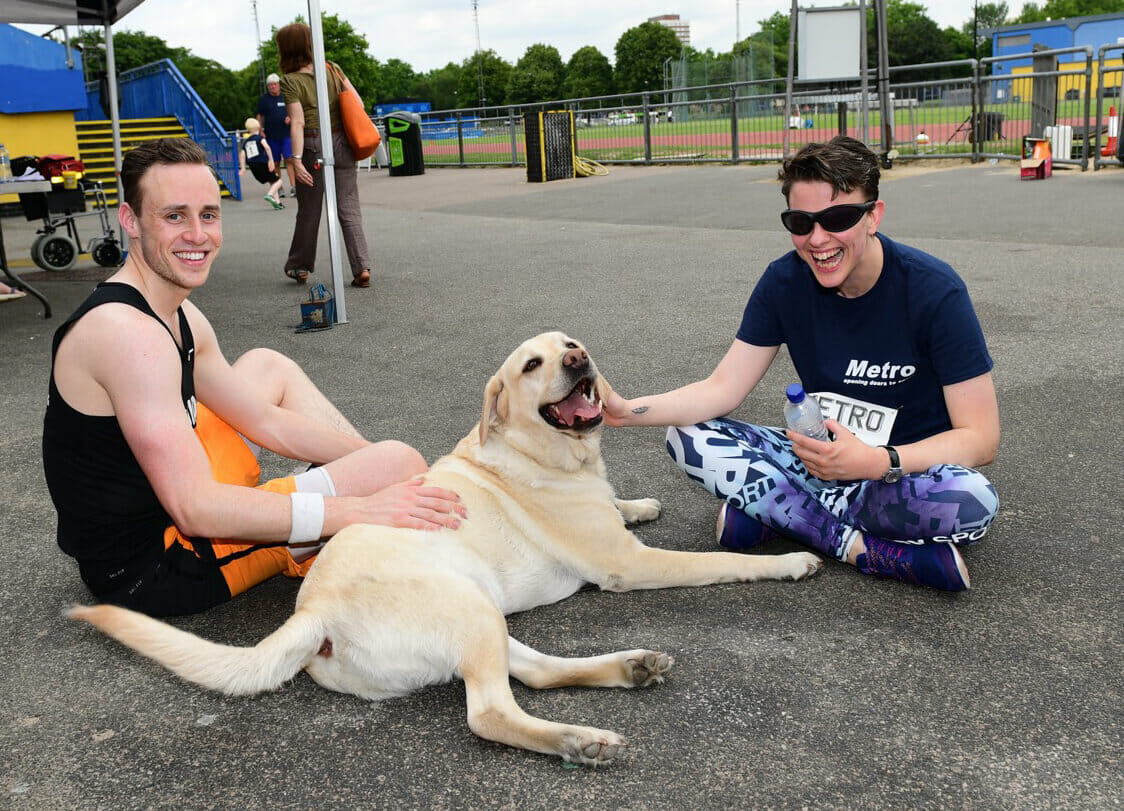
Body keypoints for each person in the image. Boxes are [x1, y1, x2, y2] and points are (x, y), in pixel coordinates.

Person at [42, 138, 465, 617]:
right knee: (398, 463)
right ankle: (367, 521)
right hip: (157, 563)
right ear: (130, 221)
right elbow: (196, 509)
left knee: (268, 366)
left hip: (161, 497)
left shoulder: (174, 311)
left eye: (208, 214)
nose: (198, 235)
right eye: (174, 216)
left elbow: (267, 422)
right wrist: (359, 504)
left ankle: (382, 501)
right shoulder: (127, 335)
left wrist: (371, 473)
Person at [603, 136, 999, 592]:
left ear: (874, 216)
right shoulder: (785, 282)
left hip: (900, 472)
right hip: (817, 460)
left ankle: (780, 514)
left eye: (837, 219)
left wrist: (876, 461)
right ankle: (859, 549)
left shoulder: (935, 291)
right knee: (687, 435)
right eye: (800, 222)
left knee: (973, 499)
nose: (817, 239)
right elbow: (722, 388)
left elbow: (980, 438)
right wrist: (625, 410)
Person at [277, 23, 372, 288]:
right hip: (342, 140)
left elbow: (297, 122)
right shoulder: (332, 68)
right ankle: (361, 267)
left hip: (312, 144)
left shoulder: (290, 80)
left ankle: (300, 266)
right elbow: (359, 103)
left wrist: (295, 159)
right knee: (349, 206)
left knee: (309, 208)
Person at [256, 73, 296, 197]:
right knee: (276, 162)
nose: (273, 87)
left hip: (286, 135)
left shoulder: (285, 97)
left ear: (279, 85)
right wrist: (260, 130)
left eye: (275, 84)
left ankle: (294, 186)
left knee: (289, 160)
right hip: (271, 136)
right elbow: (259, 115)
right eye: (270, 85)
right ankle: (279, 187)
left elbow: (294, 109)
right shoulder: (264, 100)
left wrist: (290, 117)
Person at [241, 118, 285, 210]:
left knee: (272, 181)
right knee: (278, 181)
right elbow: (267, 148)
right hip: (262, 163)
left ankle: (278, 203)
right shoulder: (260, 138)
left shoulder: (246, 141)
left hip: (252, 166)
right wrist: (271, 160)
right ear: (259, 127)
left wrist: (243, 168)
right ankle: (270, 195)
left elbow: (242, 154)